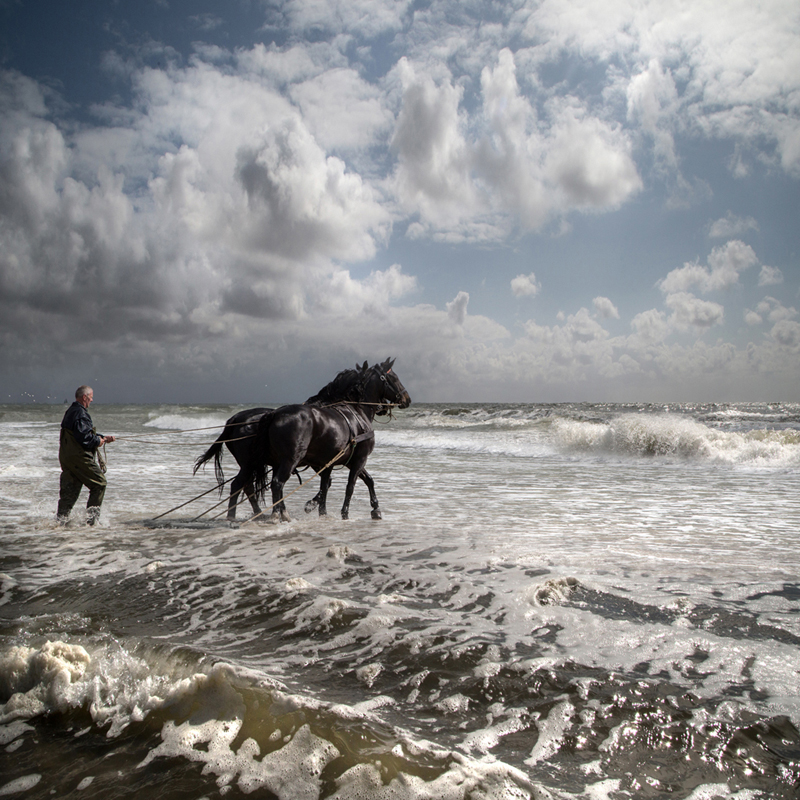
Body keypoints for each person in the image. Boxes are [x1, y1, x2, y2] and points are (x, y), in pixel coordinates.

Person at [57, 385, 116, 525]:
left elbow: (80, 433)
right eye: (91, 397)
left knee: (69, 493)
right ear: (84, 397)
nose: (92, 399)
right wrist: (98, 441)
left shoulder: (71, 411)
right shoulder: (81, 413)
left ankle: (59, 524)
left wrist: (103, 438)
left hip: (67, 458)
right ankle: (91, 523)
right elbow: (85, 438)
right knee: (100, 484)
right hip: (79, 457)